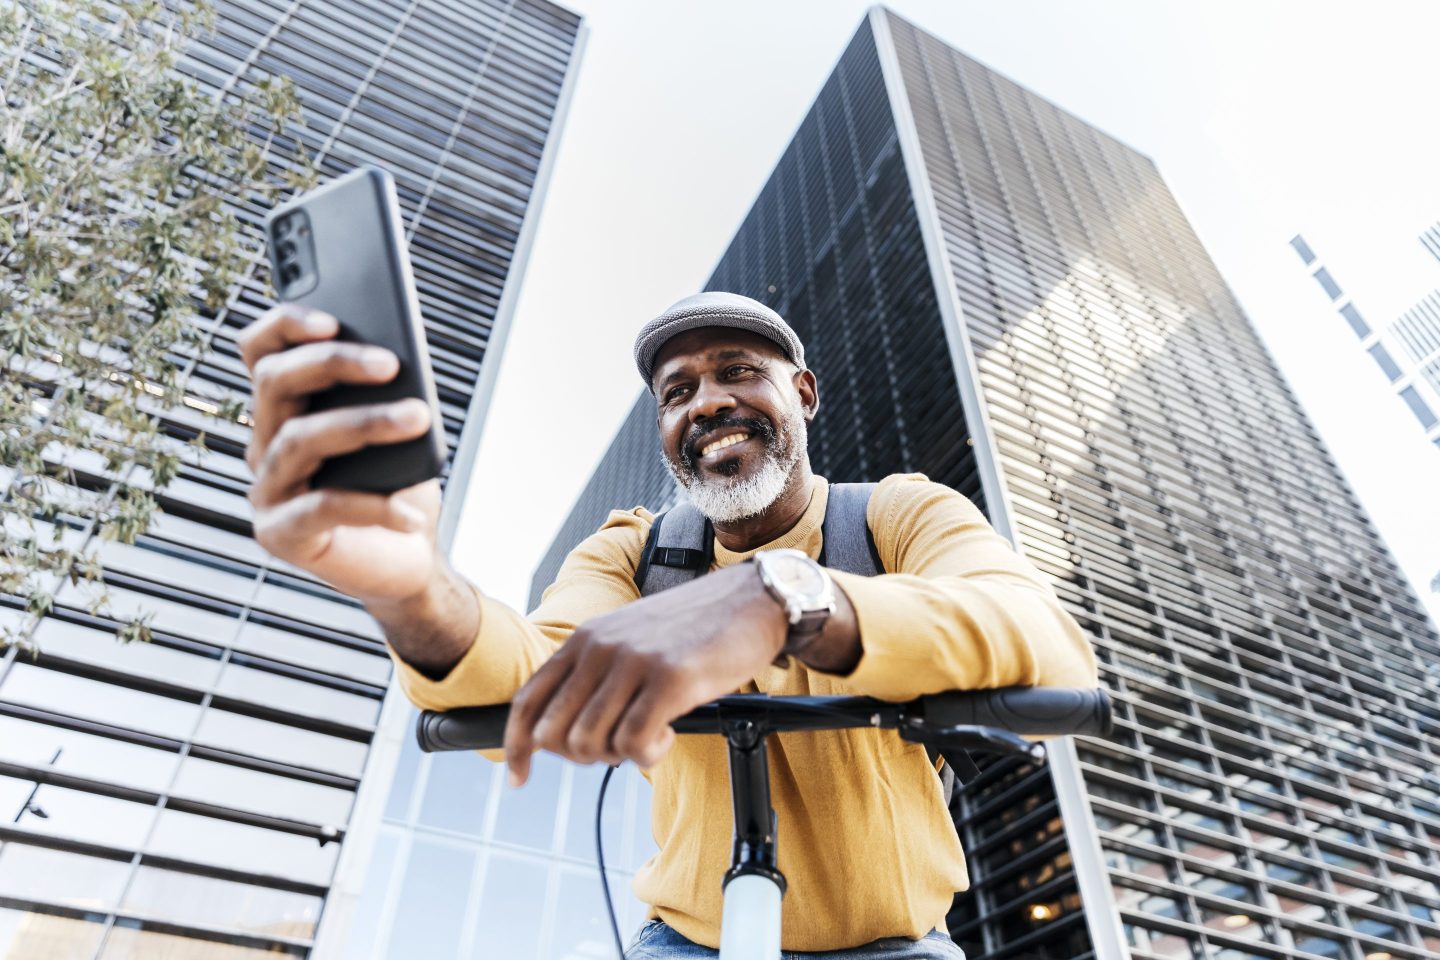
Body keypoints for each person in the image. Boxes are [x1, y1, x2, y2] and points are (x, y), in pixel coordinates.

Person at [238, 291, 1098, 959]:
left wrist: (785, 598)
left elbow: (1044, 635)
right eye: (678, 392)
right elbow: (536, 676)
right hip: (689, 939)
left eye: (738, 372)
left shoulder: (898, 516)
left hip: (900, 943)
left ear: (802, 393)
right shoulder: (632, 555)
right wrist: (411, 589)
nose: (708, 402)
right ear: (664, 431)